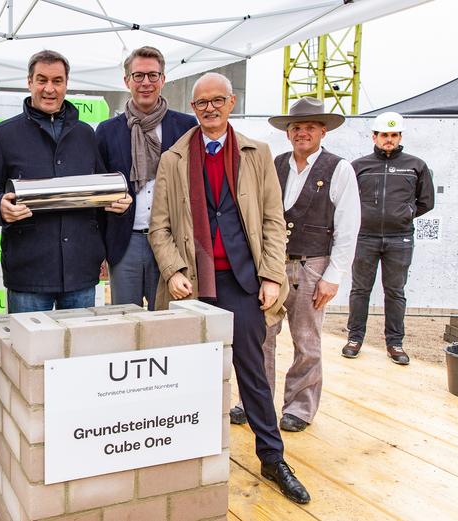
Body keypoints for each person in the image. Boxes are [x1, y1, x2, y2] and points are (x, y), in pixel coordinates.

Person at [149, 72, 310, 504]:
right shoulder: (174, 158)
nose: (209, 109)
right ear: (194, 108)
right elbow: (159, 227)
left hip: (243, 280)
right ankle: (184, 458)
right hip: (193, 284)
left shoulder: (258, 153)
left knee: (253, 373)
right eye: (201, 103)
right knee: (188, 376)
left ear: (231, 102)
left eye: (217, 100)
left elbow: (274, 221)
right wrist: (173, 271)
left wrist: (273, 275)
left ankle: (272, 457)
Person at [234, 97, 359, 433]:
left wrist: (333, 276)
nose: (302, 133)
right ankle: (254, 400)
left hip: (312, 264)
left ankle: (300, 407)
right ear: (288, 133)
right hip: (273, 264)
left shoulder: (338, 168)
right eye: (296, 128)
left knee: (306, 339)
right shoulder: (276, 164)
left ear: (322, 131)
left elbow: (348, 228)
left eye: (309, 127)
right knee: (261, 336)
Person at [0, 50, 132, 313]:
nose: (49, 88)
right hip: (29, 272)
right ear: (29, 82)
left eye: (57, 81)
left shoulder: (86, 135)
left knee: (77, 352)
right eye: (42, 79)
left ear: (66, 84)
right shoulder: (3, 135)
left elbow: (103, 191)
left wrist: (119, 202)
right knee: (28, 354)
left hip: (81, 269)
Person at [96, 46, 197, 310]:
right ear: (127, 80)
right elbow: (100, 186)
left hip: (171, 242)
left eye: (153, 76)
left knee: (167, 320)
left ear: (163, 79)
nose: (146, 83)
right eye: (138, 76)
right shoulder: (107, 131)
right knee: (125, 321)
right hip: (124, 241)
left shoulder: (186, 127)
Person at [343, 112, 435, 364]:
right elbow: (347, 201)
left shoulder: (416, 165)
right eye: (384, 135)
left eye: (394, 135)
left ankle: (395, 343)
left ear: (400, 137)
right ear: (374, 136)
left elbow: (426, 202)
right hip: (365, 238)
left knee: (395, 292)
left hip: (400, 239)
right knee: (360, 289)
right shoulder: (359, 166)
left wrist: (405, 214)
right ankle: (354, 338)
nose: (389, 139)